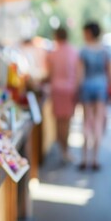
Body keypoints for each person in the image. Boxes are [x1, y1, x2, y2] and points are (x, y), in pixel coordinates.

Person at [79, 22, 111, 170]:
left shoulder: (84, 51)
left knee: (86, 122)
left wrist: (77, 90)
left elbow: (80, 74)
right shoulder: (105, 51)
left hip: (86, 86)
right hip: (101, 87)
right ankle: (95, 160)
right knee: (98, 123)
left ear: (89, 33)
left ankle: (84, 159)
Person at [46, 27, 79, 163]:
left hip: (57, 90)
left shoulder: (53, 54)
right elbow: (78, 73)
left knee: (59, 122)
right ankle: (65, 150)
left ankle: (62, 150)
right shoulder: (74, 52)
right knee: (67, 121)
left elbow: (49, 74)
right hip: (70, 90)